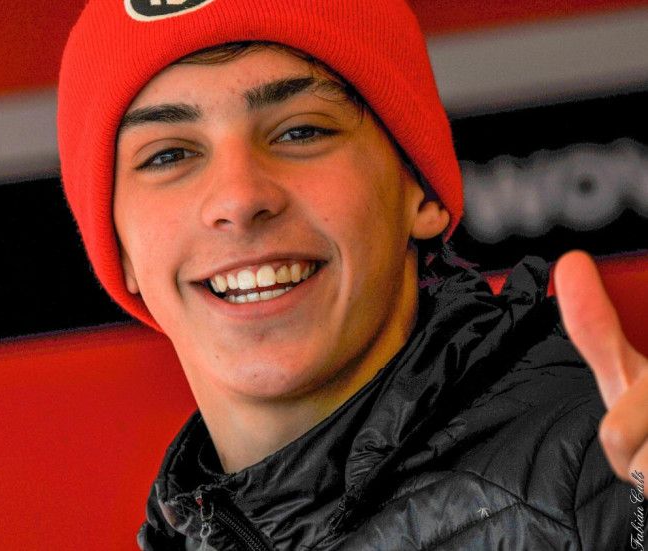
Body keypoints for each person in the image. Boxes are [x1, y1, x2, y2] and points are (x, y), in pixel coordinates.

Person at [57, 1, 648, 549]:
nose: (239, 198)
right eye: (168, 155)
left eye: (301, 131)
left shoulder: (605, 478)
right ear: (119, 249)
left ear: (421, 191)